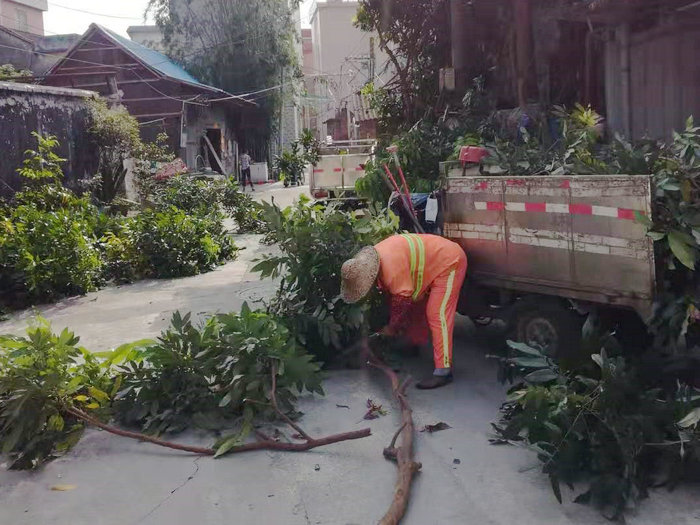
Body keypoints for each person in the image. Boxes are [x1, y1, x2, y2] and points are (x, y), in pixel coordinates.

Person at [340, 234, 467, 389]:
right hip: (432, 262)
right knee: (418, 307)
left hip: (449, 261)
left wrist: (392, 328)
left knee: (437, 314)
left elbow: (402, 303)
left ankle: (443, 372)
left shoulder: (391, 269)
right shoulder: (375, 261)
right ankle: (414, 344)